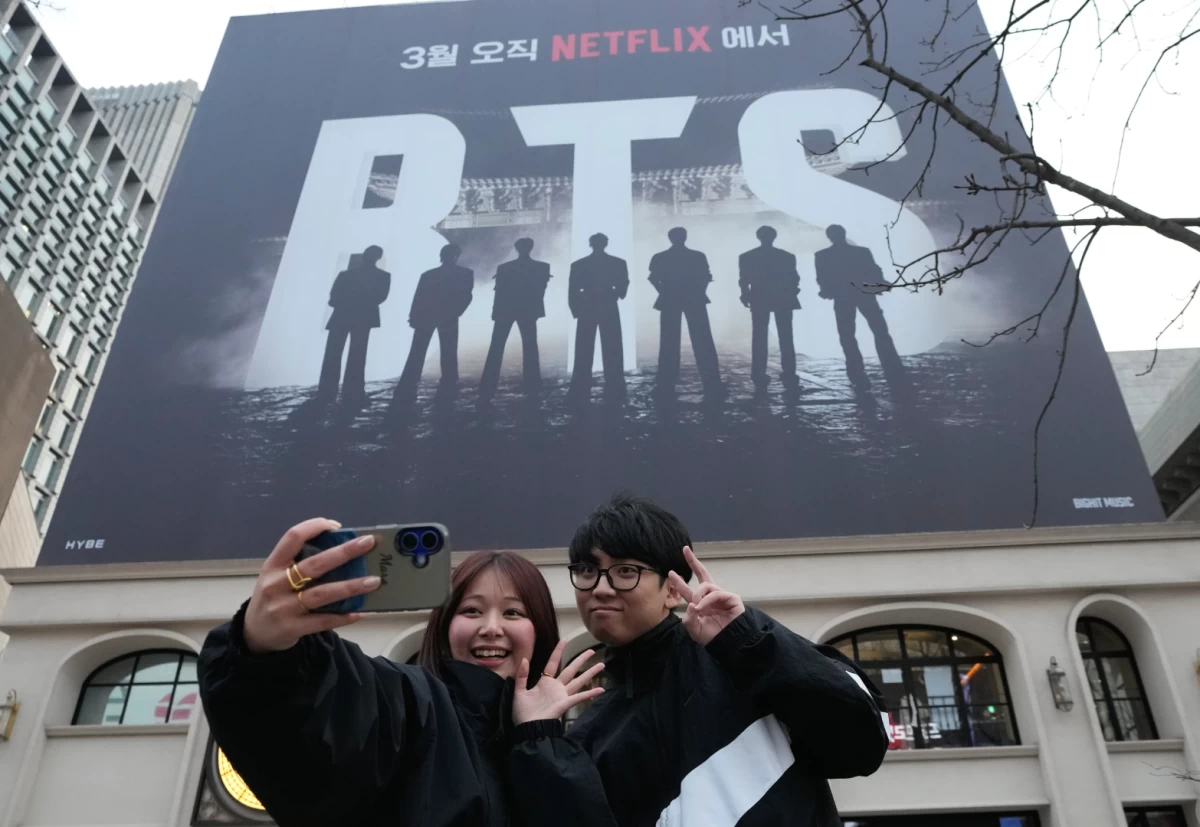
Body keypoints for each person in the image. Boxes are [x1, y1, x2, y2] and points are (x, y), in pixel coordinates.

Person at [198, 518, 614, 827]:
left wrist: (539, 738)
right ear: (444, 625)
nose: (491, 627)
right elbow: (325, 701)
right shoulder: (412, 704)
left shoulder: (561, 747)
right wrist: (266, 644)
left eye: (513, 612)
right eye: (471, 610)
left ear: (539, 630)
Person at [510, 494, 890, 827]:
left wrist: (747, 640)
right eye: (587, 571)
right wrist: (538, 738)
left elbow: (862, 741)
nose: (601, 588)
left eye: (626, 571)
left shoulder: (741, 661)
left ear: (673, 590)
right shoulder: (591, 731)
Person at [813, 225, 905, 391]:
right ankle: (892, 368)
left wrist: (827, 291)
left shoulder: (822, 255)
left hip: (842, 297)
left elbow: (822, 278)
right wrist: (881, 285)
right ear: (844, 234)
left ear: (829, 237)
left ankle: (856, 373)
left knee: (847, 335)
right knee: (880, 331)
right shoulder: (862, 252)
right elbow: (874, 271)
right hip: (865, 294)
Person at [648, 228, 723, 397]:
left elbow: (653, 278)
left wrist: (663, 292)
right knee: (703, 340)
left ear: (670, 238)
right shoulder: (698, 256)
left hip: (669, 300)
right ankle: (712, 381)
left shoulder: (660, 257)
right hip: (694, 299)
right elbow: (706, 277)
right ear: (685, 237)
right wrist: (699, 291)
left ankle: (665, 382)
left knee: (668, 342)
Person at [479, 238, 552, 400]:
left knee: (497, 345)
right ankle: (532, 381)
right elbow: (540, 291)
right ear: (531, 248)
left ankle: (488, 382)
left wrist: (495, 311)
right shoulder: (542, 267)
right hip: (528, 310)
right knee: (530, 345)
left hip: (506, 309)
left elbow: (499, 292)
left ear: (516, 248)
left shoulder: (505, 268)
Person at [317, 245, 391, 404]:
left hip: (342, 315)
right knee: (358, 354)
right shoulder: (383, 276)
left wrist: (346, 302)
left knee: (333, 353)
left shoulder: (346, 275)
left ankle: (327, 389)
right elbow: (380, 297)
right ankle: (353, 389)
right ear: (378, 258)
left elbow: (333, 298)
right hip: (364, 317)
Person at [397, 243, 474, 395]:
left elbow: (419, 297)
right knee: (449, 348)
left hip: (427, 315)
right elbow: (466, 296)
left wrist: (413, 315)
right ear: (456, 256)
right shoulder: (465, 274)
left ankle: (411, 378)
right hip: (448, 316)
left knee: (418, 348)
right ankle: (449, 377)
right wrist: (456, 312)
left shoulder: (428, 275)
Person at [738, 227, 801, 391]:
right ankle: (789, 372)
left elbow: (744, 280)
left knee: (759, 337)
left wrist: (745, 296)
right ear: (774, 237)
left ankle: (758, 374)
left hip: (759, 299)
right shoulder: (787, 257)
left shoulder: (747, 257)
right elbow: (794, 279)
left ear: (758, 237)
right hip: (783, 299)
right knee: (786, 337)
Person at [568, 233, 629, 401]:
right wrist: (616, 294)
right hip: (608, 304)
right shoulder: (618, 263)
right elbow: (623, 285)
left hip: (587, 305)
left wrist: (576, 310)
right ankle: (615, 381)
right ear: (606, 244)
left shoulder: (579, 265)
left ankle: (580, 381)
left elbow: (572, 290)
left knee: (583, 346)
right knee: (613, 344)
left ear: (590, 244)